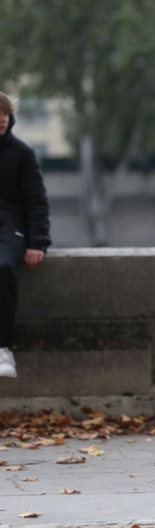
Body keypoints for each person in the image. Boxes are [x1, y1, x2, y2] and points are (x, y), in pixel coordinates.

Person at [0, 92, 50, 378]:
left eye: (5, 114)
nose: (1, 119)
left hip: (10, 228)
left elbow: (37, 201)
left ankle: (3, 349)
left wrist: (37, 243)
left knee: (4, 268)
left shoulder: (22, 152)